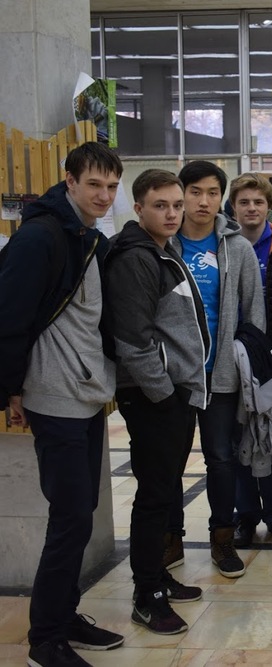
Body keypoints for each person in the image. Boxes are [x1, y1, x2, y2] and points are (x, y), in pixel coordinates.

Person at [0, 142, 125, 665]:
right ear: (69, 181)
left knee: (80, 512)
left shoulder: (88, 237)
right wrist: (12, 388)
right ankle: (45, 639)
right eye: (93, 184)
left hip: (85, 395)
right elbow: (9, 316)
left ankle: (64, 613)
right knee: (70, 517)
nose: (103, 195)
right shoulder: (40, 237)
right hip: (54, 396)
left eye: (111, 187)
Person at [105, 169, 209, 635]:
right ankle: (146, 596)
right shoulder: (136, 258)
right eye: (160, 206)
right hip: (153, 397)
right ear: (138, 208)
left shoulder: (161, 250)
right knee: (152, 497)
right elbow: (133, 341)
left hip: (170, 393)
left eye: (176, 205)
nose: (171, 214)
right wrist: (165, 396)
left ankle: (157, 577)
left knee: (164, 491)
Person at [168, 161, 265, 579]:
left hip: (221, 374)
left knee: (222, 459)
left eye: (212, 193)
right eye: (195, 192)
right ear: (182, 194)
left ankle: (222, 539)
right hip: (172, 377)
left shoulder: (236, 247)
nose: (203, 201)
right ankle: (170, 539)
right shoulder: (163, 243)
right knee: (169, 462)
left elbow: (254, 312)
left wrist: (246, 363)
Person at [229, 172, 272, 547]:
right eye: (244, 202)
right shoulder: (224, 244)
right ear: (233, 206)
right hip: (233, 357)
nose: (252, 208)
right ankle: (245, 516)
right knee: (238, 439)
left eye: (258, 202)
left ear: (268, 206)